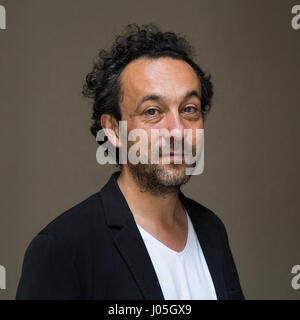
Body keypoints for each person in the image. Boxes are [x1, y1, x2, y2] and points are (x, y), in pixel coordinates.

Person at [16, 23, 244, 300]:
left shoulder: (212, 230)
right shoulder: (61, 250)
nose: (178, 130)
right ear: (113, 130)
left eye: (189, 110)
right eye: (152, 111)